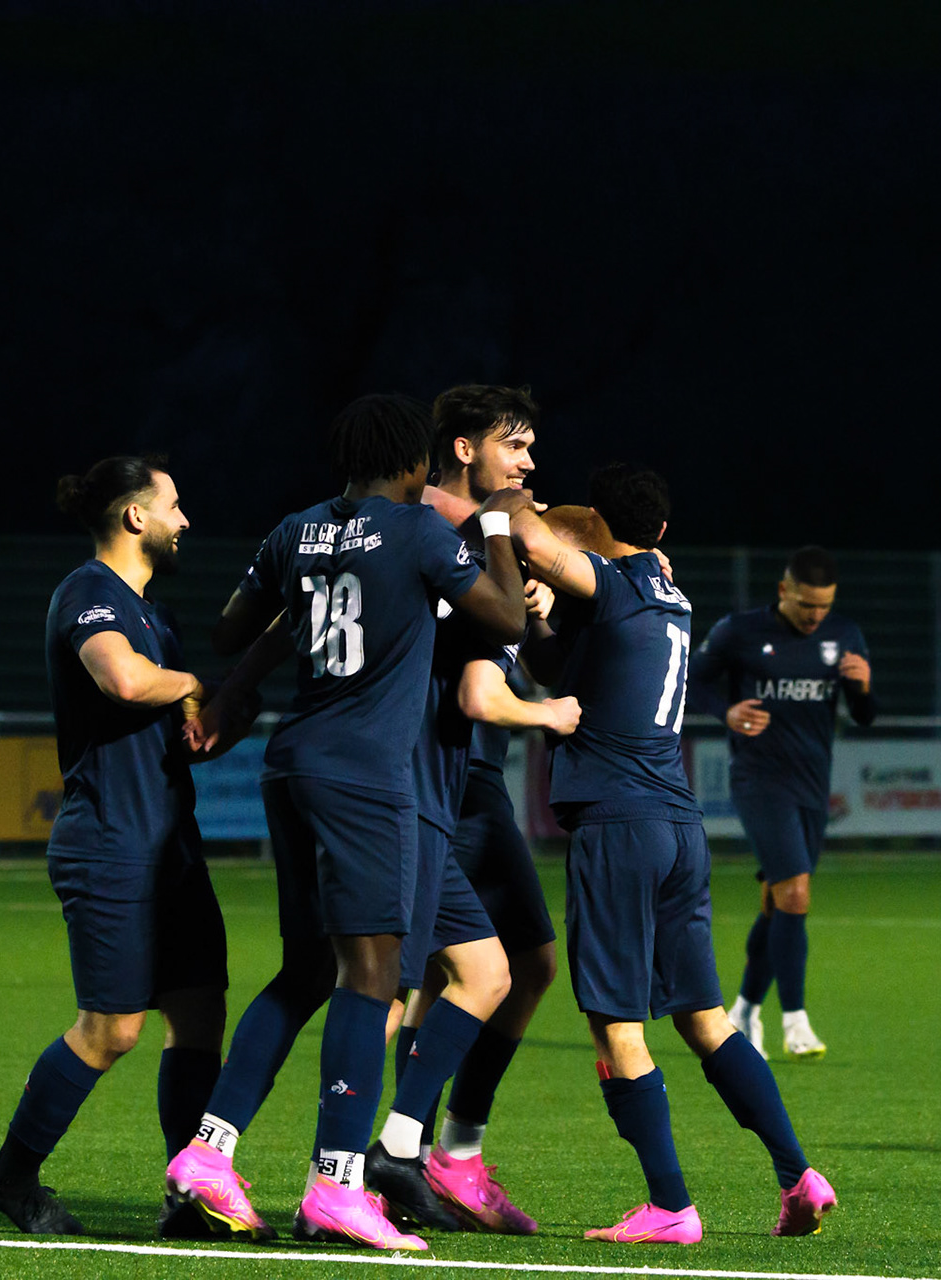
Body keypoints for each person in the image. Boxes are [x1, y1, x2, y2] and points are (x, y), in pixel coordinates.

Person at [164, 393, 529, 1251]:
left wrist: (234, 692)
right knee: (373, 980)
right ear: (414, 463)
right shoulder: (419, 533)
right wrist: (506, 532)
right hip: (367, 777)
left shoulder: (296, 530)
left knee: (301, 972)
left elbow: (232, 630)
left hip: (290, 765)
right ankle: (337, 1182)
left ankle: (208, 1155)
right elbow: (508, 619)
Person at [504, 466, 837, 1242]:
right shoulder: (670, 595)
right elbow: (563, 665)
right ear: (662, 532)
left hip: (619, 828)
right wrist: (540, 621)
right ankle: (798, 1175)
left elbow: (525, 536)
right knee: (706, 1020)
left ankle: (669, 1207)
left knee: (617, 1025)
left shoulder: (615, 586)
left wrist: (504, 497)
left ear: (596, 526)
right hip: (677, 826)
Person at [0, 456, 248, 1239]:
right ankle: (10, 1175)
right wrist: (191, 681)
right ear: (135, 517)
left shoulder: (152, 613)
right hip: (110, 845)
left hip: (170, 848)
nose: (185, 519)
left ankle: (186, 1195)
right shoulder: (89, 595)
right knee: (113, 1029)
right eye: (174, 503)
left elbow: (168, 729)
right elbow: (123, 682)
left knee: (199, 1015)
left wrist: (224, 711)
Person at [384, 384, 577, 1234]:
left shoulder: (496, 533)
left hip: (474, 778)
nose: (529, 463)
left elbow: (522, 653)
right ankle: (386, 1155)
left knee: (517, 966)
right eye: (515, 444)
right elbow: (472, 686)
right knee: (416, 977)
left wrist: (540, 601)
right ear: (464, 448)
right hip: (435, 776)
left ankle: (440, 1150)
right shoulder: (429, 522)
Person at [690, 546, 876, 1061]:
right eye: (806, 606)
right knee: (795, 893)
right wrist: (727, 712)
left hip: (813, 785)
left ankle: (745, 1010)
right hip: (758, 780)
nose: (816, 617)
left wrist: (862, 689)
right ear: (783, 592)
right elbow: (693, 680)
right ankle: (796, 1021)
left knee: (778, 902)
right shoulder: (739, 631)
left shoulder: (845, 636)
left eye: (824, 607)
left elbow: (864, 715)